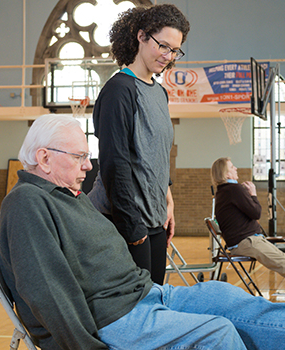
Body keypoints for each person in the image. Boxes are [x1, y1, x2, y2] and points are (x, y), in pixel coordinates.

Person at [0, 114, 285, 350]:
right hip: (112, 320)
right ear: (44, 158)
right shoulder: (27, 204)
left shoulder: (67, 195)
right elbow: (47, 293)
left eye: (89, 156)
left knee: (228, 298)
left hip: (143, 296)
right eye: (81, 156)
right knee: (219, 335)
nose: (88, 165)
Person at [88, 4, 190, 285]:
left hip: (154, 218)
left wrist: (167, 201)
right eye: (163, 46)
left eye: (175, 51)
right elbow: (114, 164)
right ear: (141, 36)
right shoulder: (119, 90)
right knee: (136, 311)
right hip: (123, 221)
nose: (168, 57)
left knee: (155, 302)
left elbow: (157, 153)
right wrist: (133, 229)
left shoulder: (160, 92)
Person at [211, 157, 285, 296]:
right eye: (232, 167)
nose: (236, 168)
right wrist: (253, 194)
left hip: (247, 240)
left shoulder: (223, 191)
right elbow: (256, 212)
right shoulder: (234, 189)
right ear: (226, 174)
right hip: (247, 242)